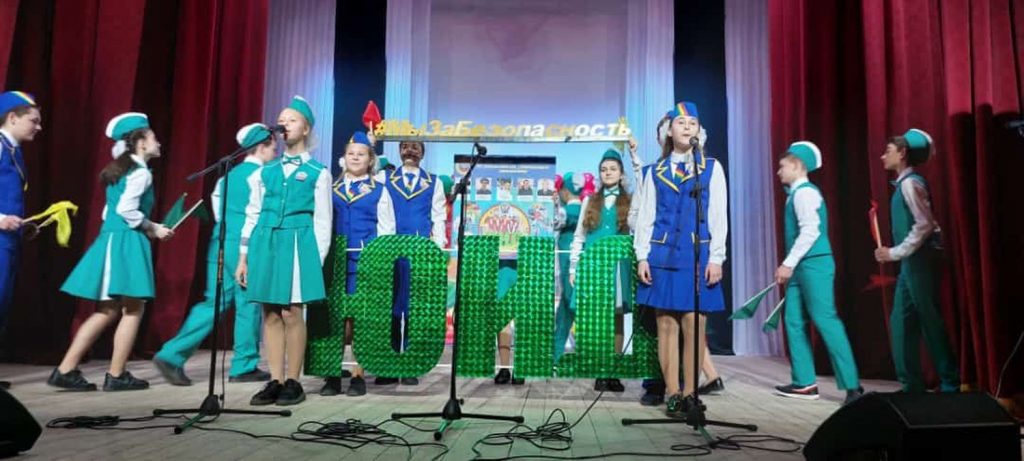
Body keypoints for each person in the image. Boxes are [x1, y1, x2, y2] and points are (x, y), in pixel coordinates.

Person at [51, 112, 174, 391]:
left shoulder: (123, 170)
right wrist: (153, 228)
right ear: (141, 142)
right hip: (126, 242)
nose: (158, 142)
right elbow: (125, 210)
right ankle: (115, 375)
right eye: (153, 137)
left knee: (108, 310)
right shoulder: (140, 173)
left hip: (113, 238)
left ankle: (67, 369)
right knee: (133, 308)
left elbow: (108, 212)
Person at [152, 123, 277, 386]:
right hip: (247, 245)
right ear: (262, 146)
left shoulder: (225, 178)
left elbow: (219, 211)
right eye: (273, 147)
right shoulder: (264, 175)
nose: (275, 152)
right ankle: (244, 365)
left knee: (214, 302)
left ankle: (172, 354)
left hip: (221, 242)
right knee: (248, 304)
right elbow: (262, 215)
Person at [236, 96, 332, 406]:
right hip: (266, 242)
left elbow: (323, 222)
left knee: (292, 312)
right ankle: (275, 380)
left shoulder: (318, 172)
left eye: (291, 120)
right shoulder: (263, 173)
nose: (284, 124)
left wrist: (314, 261)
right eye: (281, 120)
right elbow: (252, 214)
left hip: (298, 244)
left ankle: (294, 380)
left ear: (306, 128)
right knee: (270, 312)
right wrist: (243, 257)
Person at [634, 102, 727, 416]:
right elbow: (646, 217)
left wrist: (717, 258)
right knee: (666, 327)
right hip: (662, 255)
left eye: (692, 123)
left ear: (699, 131)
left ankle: (690, 394)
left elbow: (718, 216)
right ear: (669, 131)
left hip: (697, 256)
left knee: (694, 324)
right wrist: (642, 257)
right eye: (681, 123)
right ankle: (672, 393)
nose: (687, 127)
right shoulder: (654, 171)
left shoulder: (710, 167)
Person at [773, 140, 863, 404]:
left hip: (815, 263)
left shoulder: (805, 193)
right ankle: (804, 382)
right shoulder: (795, 194)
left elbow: (811, 231)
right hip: (801, 265)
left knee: (825, 319)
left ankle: (852, 385)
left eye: (782, 166)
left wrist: (788, 263)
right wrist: (792, 264)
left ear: (797, 166)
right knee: (793, 320)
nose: (779, 171)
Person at [874, 128, 959, 393]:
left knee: (930, 321)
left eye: (888, 151)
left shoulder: (911, 184)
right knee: (901, 321)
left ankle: (950, 384)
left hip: (921, 261)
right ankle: (911, 386)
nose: (882, 156)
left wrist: (894, 252)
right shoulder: (903, 185)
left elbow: (924, 224)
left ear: (902, 153)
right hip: (910, 263)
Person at [318, 131, 395, 397]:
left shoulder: (380, 191)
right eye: (351, 153)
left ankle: (358, 375)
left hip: (364, 263)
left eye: (361, 154)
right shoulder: (331, 189)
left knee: (359, 319)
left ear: (370, 159)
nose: (355, 157)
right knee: (334, 318)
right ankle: (331, 374)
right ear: (344, 158)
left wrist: (381, 263)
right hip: (335, 263)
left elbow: (386, 230)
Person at [379, 139, 447, 386]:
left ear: (422, 153)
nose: (410, 151)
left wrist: (437, 251)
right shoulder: (384, 178)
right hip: (391, 250)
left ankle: (409, 363)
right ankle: (388, 363)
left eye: (415, 147)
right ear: (399, 151)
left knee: (413, 307)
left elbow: (438, 218)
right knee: (389, 305)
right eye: (405, 146)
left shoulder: (434, 182)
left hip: (419, 252)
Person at [569, 149, 634, 392]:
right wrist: (574, 268)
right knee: (596, 319)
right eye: (604, 169)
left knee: (616, 318)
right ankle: (599, 371)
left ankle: (613, 372)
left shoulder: (630, 201)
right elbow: (579, 236)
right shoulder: (590, 201)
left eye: (613, 169)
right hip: (593, 267)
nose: (608, 173)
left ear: (621, 173)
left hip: (617, 267)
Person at [0, 91, 41, 390]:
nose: (38, 127)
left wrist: (21, 225)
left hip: (9, 242)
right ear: (12, 118)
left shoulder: (14, 151)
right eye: (33, 121)